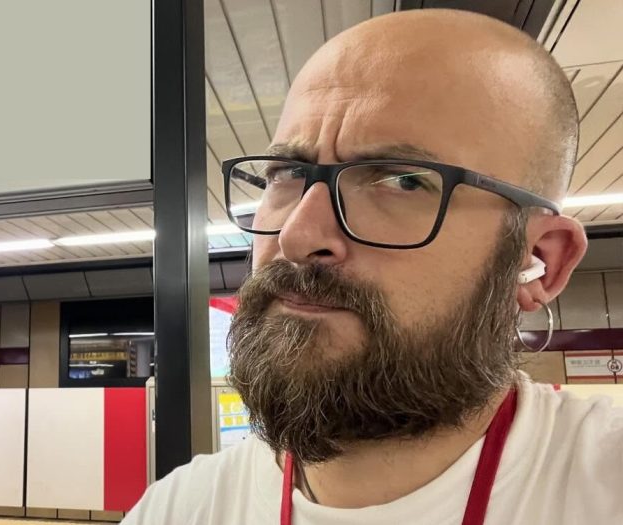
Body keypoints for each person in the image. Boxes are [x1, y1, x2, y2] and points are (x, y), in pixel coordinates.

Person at [123, 8, 623, 525]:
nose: (297, 236)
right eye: (288, 173)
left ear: (540, 262)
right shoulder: (179, 508)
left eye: (403, 181)